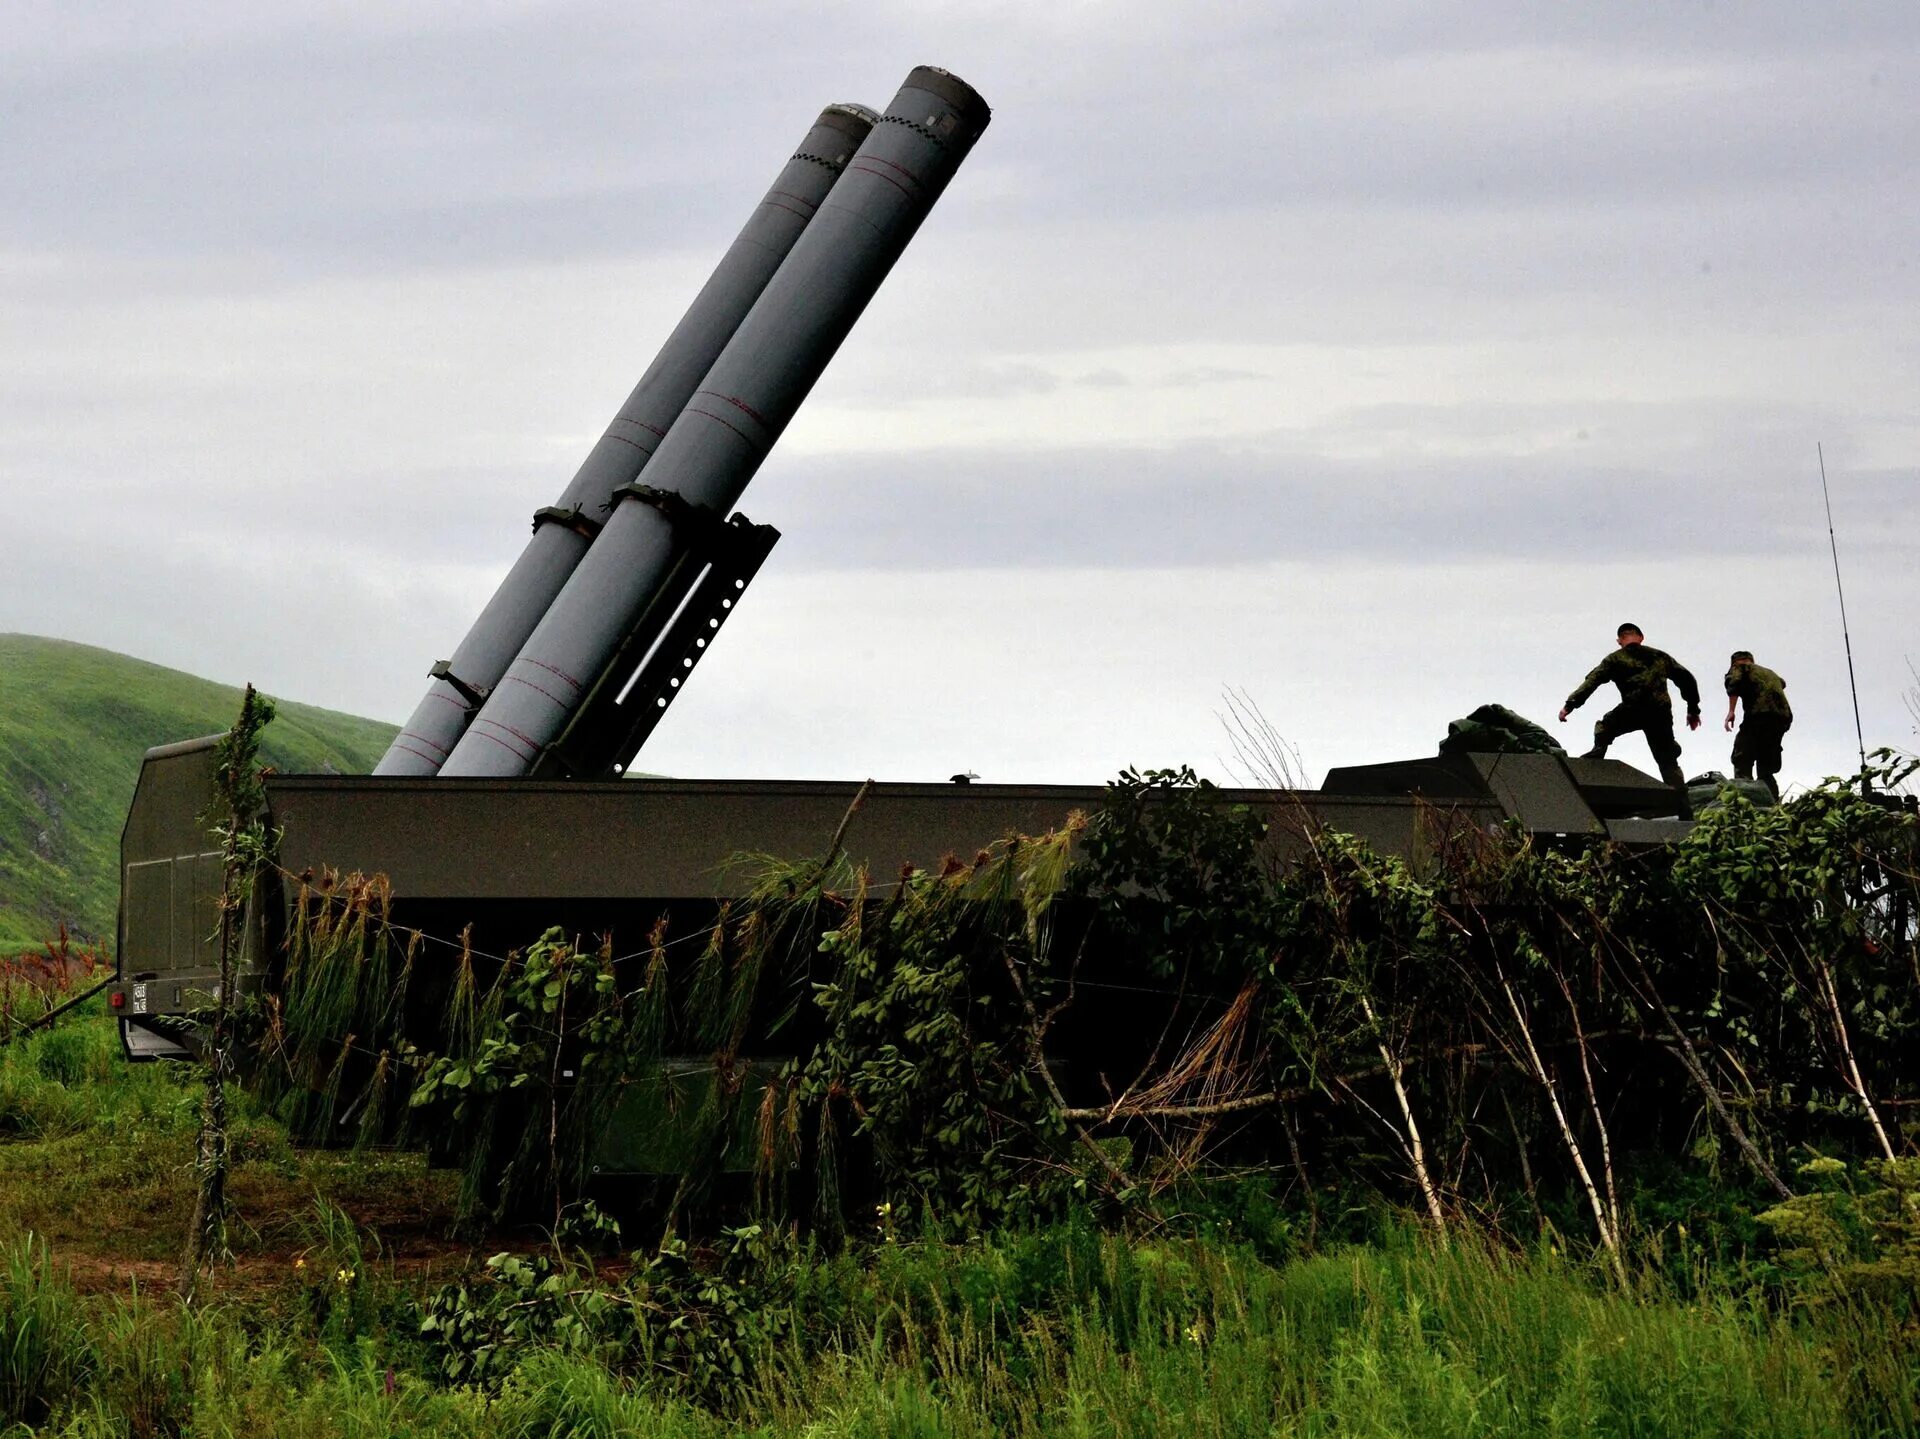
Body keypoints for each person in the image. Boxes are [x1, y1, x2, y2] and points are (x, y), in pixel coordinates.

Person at [1557, 623, 1701, 788]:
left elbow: (1592, 682)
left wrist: (1570, 705)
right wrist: (1693, 710)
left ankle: (1598, 752)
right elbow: (1687, 679)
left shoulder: (1615, 659)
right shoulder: (1660, 656)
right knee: (1667, 762)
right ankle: (1682, 803)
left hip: (1633, 709)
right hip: (1659, 713)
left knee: (1604, 727)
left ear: (1619, 641)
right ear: (1641, 637)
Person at [1723, 650, 1792, 799]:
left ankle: (1745, 800)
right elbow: (1782, 683)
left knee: (1742, 756)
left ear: (1735, 662)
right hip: (1781, 719)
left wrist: (1731, 711)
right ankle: (1772, 803)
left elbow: (1733, 684)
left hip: (1759, 715)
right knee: (1766, 765)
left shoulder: (1740, 668)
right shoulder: (1770, 673)